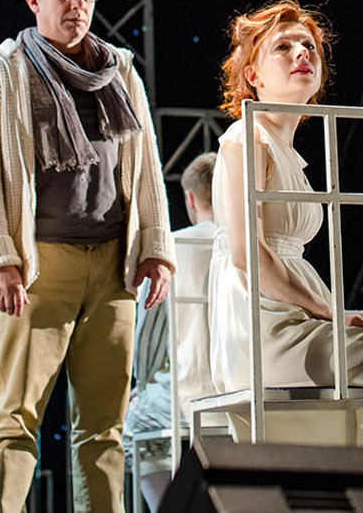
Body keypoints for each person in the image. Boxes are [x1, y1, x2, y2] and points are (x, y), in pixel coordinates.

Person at [0, 0, 175, 512]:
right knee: (16, 416)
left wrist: (156, 247)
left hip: (113, 263)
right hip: (39, 263)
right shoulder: (1, 71)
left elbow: (146, 164)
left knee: (105, 426)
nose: (78, 3)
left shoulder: (119, 70)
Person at [209, 0, 363, 444]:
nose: (301, 53)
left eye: (308, 46)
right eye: (283, 47)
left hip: (299, 317)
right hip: (266, 329)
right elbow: (248, 256)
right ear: (253, 76)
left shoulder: (290, 154)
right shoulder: (247, 136)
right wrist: (332, 312)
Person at [123, 152, 222, 512]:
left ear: (190, 199)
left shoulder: (173, 249)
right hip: (240, 387)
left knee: (133, 422)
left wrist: (143, 383)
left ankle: (167, 506)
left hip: (187, 391)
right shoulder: (249, 246)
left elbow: (149, 337)